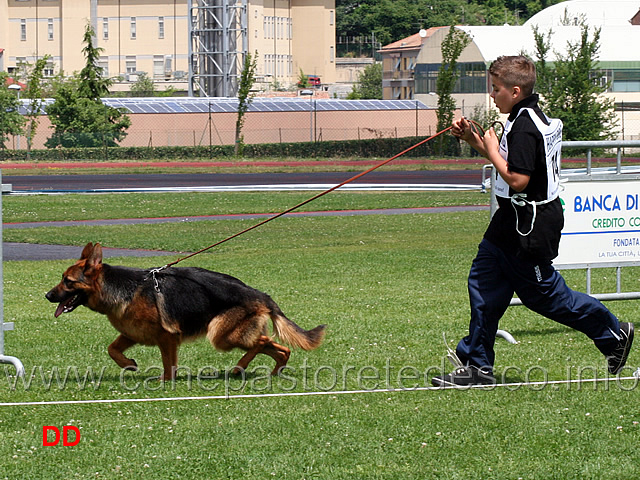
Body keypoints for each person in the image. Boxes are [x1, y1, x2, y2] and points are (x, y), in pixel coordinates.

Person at [431, 55, 634, 387]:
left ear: (514, 90)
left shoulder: (525, 127)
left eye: (495, 89)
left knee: (547, 298)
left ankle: (613, 333)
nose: (492, 95)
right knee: (483, 285)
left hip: (531, 225)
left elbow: (518, 179)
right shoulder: (524, 116)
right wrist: (473, 140)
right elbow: (506, 162)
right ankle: (476, 366)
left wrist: (492, 149)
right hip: (508, 222)